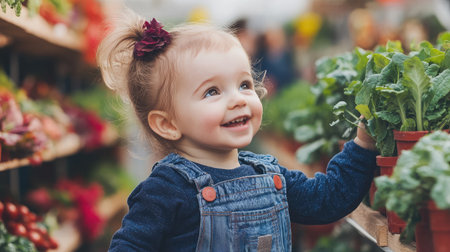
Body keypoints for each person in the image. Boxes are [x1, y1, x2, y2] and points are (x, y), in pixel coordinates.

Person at [96, 9, 377, 252]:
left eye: (244, 84)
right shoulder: (165, 191)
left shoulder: (270, 175)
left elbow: (329, 198)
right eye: (212, 91)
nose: (239, 99)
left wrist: (363, 143)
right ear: (168, 124)